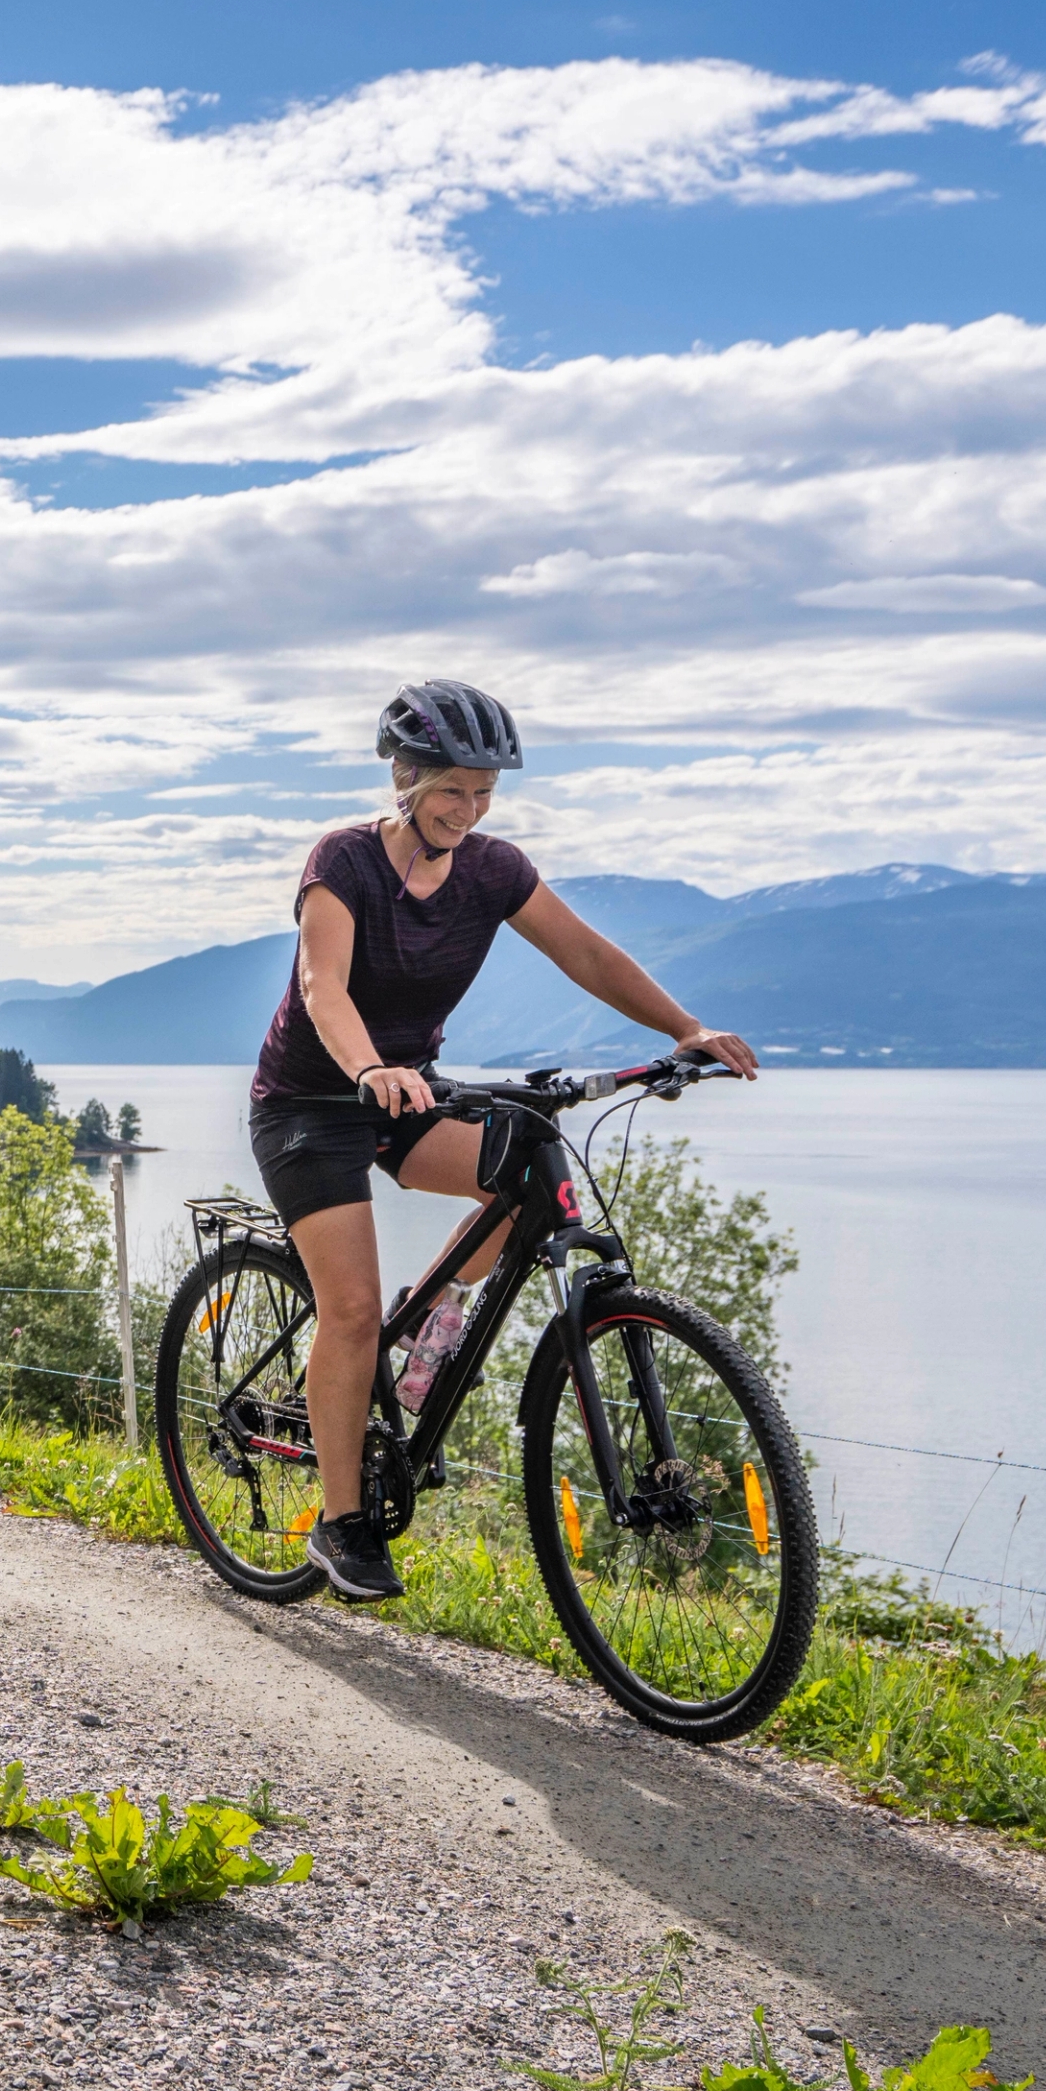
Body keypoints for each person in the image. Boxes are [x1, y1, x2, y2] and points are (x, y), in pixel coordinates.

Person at [248, 680, 760, 1600]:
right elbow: (324, 985)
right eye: (454, 791)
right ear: (406, 778)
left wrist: (683, 1028)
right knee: (351, 1310)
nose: (470, 810)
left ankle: (434, 1309)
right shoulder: (345, 862)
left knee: (525, 1171)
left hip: (406, 1092)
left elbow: (587, 955)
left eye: (486, 794)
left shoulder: (492, 870)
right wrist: (368, 1070)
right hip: (313, 1102)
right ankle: (339, 1524)